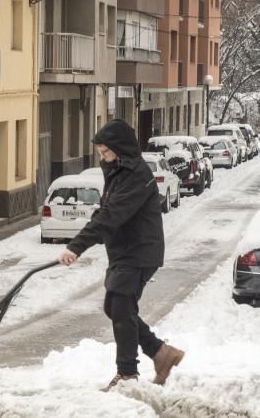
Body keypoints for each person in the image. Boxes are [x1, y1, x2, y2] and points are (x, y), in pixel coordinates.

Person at [57, 119, 185, 391]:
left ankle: (127, 373)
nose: (102, 158)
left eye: (105, 152)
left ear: (120, 148)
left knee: (122, 308)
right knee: (114, 307)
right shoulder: (119, 171)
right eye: (101, 153)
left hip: (139, 252)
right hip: (124, 252)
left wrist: (76, 246)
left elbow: (112, 215)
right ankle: (161, 353)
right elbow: (107, 210)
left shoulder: (135, 175)